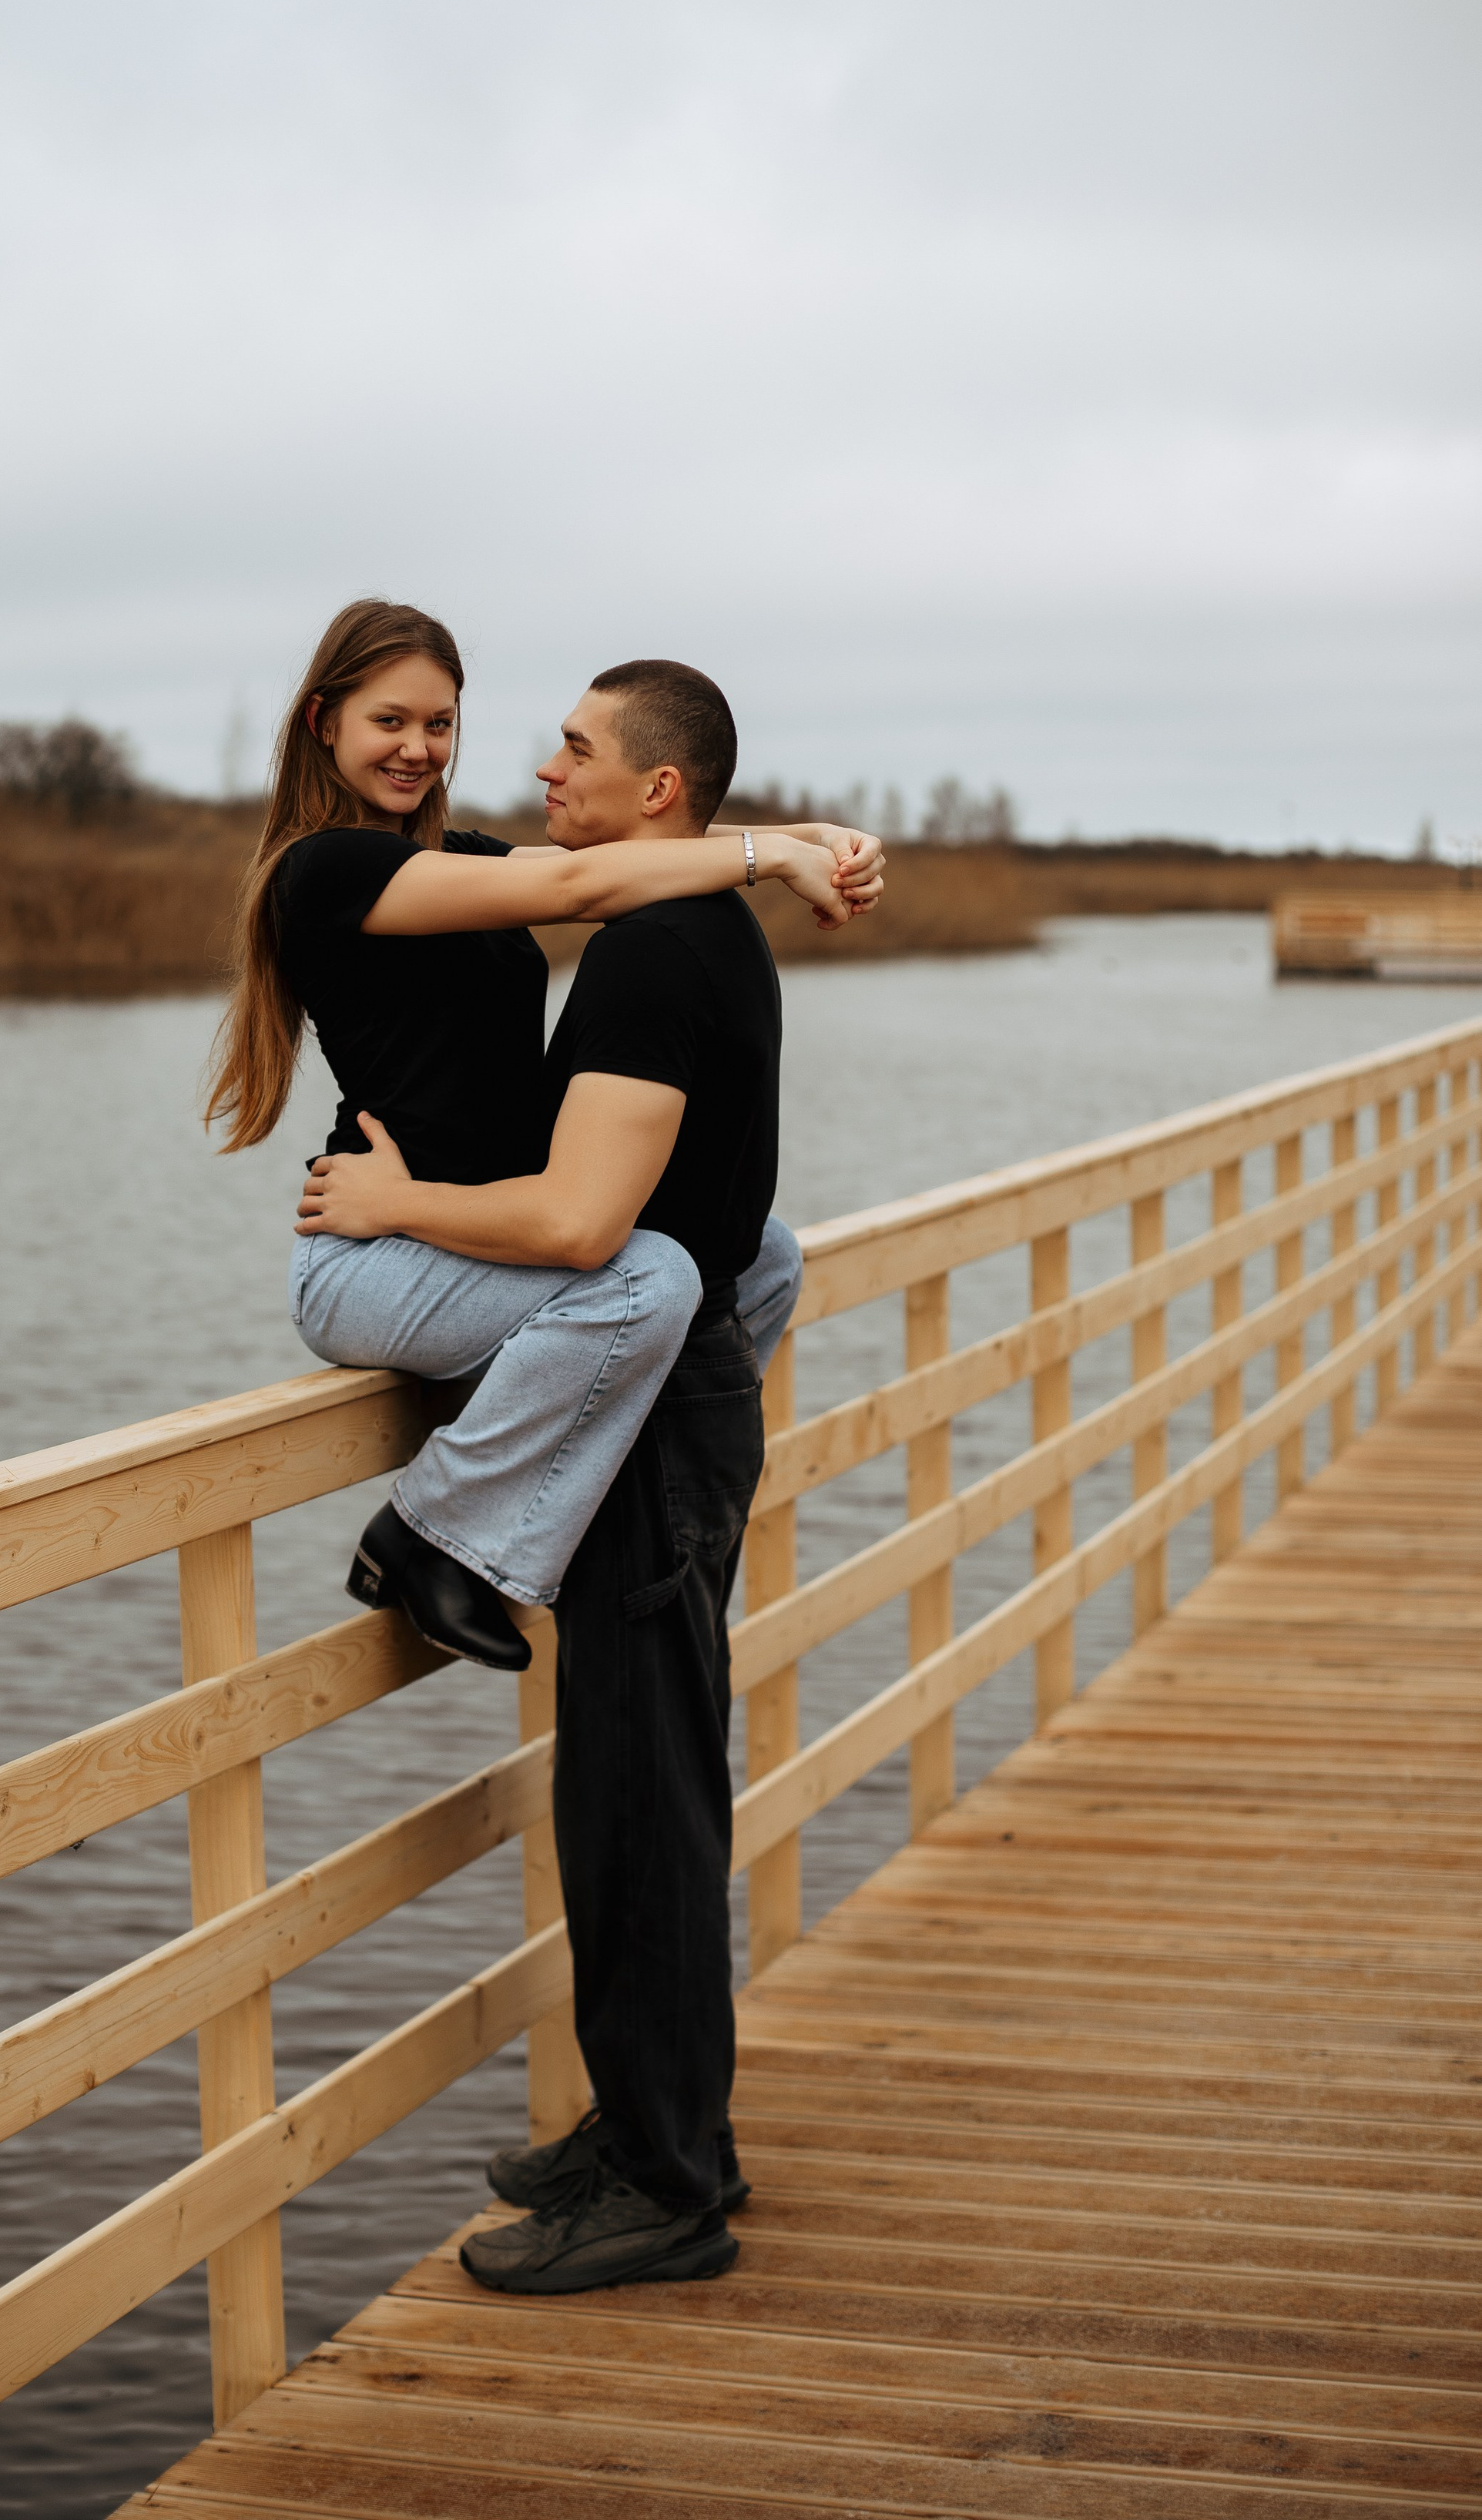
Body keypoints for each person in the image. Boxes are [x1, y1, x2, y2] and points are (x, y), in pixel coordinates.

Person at [297, 656, 800, 2292]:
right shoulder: (694, 928)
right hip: (682, 1405)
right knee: (644, 1789)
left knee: (638, 1808)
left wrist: (389, 1211)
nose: (542, 765)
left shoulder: (650, 948)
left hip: (656, 1428)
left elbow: (589, 1229)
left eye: (575, 746)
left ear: (658, 789)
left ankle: (661, 2186)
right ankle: (659, 2126)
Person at [209, 599, 880, 1670]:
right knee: (651, 1277)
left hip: (470, 1235)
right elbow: (578, 882)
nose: (418, 747)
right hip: (375, 1248)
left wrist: (817, 842)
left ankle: (619, 1472)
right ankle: (430, 1535)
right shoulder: (324, 871)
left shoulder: (459, 857)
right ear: (323, 722)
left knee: (758, 1255)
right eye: (390, 721)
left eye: (439, 723)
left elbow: (627, 850)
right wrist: (770, 856)